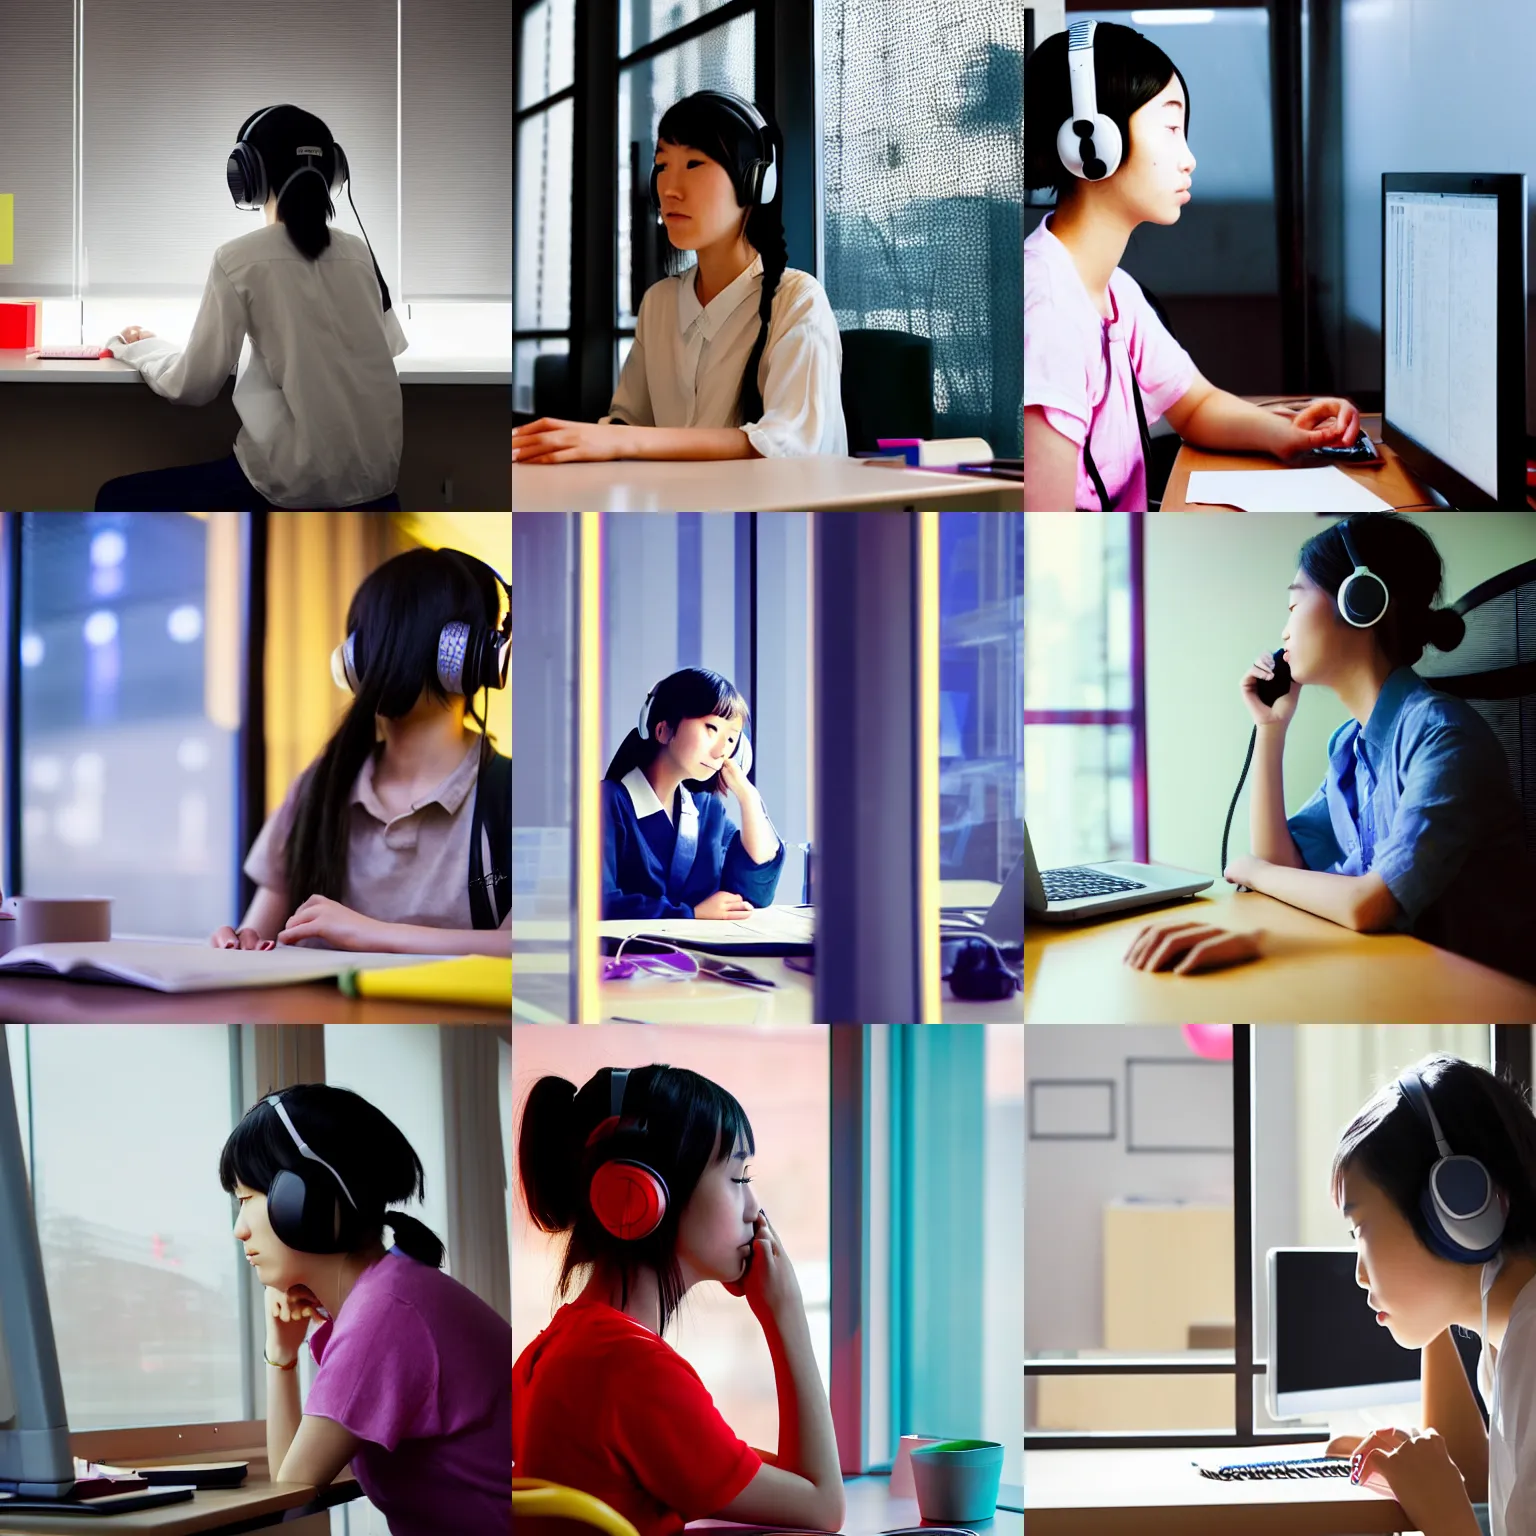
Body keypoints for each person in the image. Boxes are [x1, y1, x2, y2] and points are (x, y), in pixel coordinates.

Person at [1125, 513, 1536, 980]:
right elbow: (1284, 860)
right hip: (1391, 973)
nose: (1283, 631)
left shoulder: (1443, 736)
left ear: (1360, 601)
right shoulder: (1352, 744)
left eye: (1294, 605)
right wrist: (1271, 729)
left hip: (1481, 989)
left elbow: (1371, 904)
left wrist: (1253, 873)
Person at [1024, 21, 1362, 510]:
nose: (1189, 159)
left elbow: (1197, 406)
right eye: (1170, 129)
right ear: (1091, 143)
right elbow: (1044, 537)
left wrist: (1292, 433)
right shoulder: (1050, 312)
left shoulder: (1115, 292)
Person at [513, 1064, 846, 1536]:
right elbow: (823, 1505)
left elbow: (793, 1488)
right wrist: (785, 1316)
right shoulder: (630, 1370)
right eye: (737, 1178)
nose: (755, 1210)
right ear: (642, 1192)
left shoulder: (555, 1350)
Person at [222, 1083, 510, 1535]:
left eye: (245, 1199)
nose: (240, 1229)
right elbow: (292, 1484)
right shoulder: (392, 1292)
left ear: (302, 1197)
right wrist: (281, 1354)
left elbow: (290, 1495)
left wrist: (280, 1359)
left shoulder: (385, 1316)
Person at [96, 104, 405, 511]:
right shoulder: (359, 253)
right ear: (334, 173)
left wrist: (137, 348)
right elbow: (390, 345)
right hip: (378, 488)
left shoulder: (239, 258)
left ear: (246, 176)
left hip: (287, 487)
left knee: (114, 497)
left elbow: (192, 386)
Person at [511, 90, 846, 465]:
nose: (669, 189)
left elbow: (788, 447)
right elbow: (627, 423)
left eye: (693, 165)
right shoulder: (659, 303)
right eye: (663, 166)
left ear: (755, 181)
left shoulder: (798, 300)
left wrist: (626, 442)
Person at [210, 547, 510, 955]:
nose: (381, 653)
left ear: (470, 656)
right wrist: (241, 943)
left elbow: (535, 948)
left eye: (398, 632)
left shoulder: (516, 795)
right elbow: (259, 934)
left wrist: (369, 934)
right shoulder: (319, 787)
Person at [1324, 1054, 1536, 1536]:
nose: (1359, 1273)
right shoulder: (1509, 1343)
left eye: (1359, 1229)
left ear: (1455, 1205)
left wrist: (1445, 1517)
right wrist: (1428, 1474)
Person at [602, 666, 783, 921]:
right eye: (711, 728)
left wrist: (748, 798)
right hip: (626, 957)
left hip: (701, 959)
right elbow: (599, 902)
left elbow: (753, 894)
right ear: (663, 729)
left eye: (731, 740)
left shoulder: (708, 811)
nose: (721, 749)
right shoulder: (606, 802)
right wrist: (691, 914)